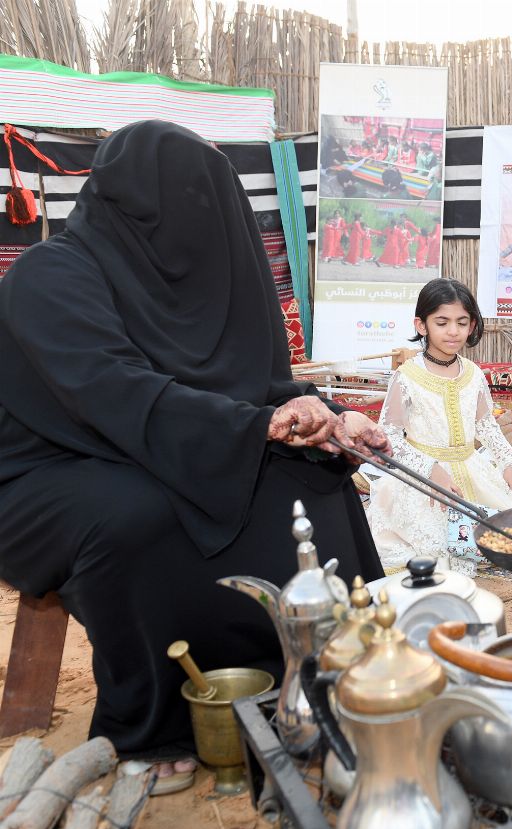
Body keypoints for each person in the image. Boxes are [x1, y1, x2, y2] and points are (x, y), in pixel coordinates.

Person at [0, 121, 387, 771]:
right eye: (192, 204)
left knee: (310, 472)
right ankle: (161, 720)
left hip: (166, 439)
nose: (209, 224)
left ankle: (317, 672)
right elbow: (113, 391)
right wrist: (257, 426)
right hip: (43, 471)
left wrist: (331, 417)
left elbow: (253, 385)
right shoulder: (49, 277)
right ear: (137, 204)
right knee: (141, 512)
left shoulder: (190, 280)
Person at [366, 279, 512, 569]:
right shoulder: (406, 376)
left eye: (461, 322)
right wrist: (429, 469)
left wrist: (509, 462)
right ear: (422, 326)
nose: (452, 331)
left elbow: (485, 425)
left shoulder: (473, 374)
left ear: (472, 326)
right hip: (425, 481)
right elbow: (390, 437)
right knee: (438, 550)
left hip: (472, 470)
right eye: (442, 322)